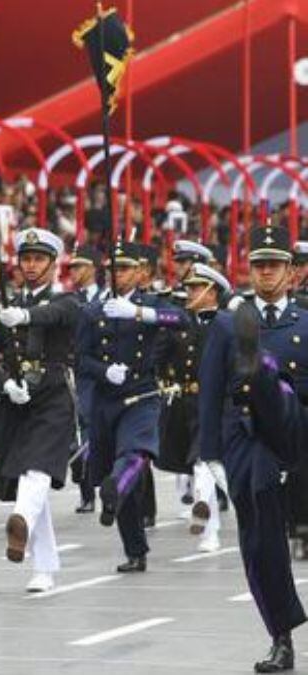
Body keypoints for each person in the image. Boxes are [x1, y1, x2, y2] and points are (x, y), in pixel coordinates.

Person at [200, 226, 308, 672]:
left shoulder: (304, 320)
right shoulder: (230, 322)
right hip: (249, 435)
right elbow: (209, 391)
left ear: (291, 272)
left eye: (275, 265)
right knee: (260, 539)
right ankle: (280, 637)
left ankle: (265, 373)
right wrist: (209, 455)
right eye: (259, 264)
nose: (267, 272)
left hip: (299, 426)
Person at [77, 241, 188, 574]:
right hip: (106, 401)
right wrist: (103, 371)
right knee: (117, 472)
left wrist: (139, 314)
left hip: (141, 395)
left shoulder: (151, 303)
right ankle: (135, 549)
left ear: (139, 272)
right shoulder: (92, 311)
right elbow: (80, 359)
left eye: (124, 269)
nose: (118, 275)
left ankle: (115, 489)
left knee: (134, 454)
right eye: (113, 269)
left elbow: (180, 319)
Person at [0, 229, 81, 592]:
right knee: (31, 480)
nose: (31, 266)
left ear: (53, 263)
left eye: (39, 259)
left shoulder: (66, 301)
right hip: (18, 402)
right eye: (26, 258)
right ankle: (44, 567)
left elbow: (55, 314)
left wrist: (24, 318)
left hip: (54, 397)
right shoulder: (6, 306)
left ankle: (20, 519)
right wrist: (4, 384)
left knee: (38, 469)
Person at [156, 262, 229, 553]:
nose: (190, 292)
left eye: (197, 288)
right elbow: (158, 356)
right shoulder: (179, 321)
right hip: (184, 403)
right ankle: (209, 524)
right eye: (189, 287)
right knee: (203, 464)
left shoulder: (225, 324)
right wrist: (162, 380)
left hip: (216, 403)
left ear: (212, 293)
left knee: (203, 461)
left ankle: (205, 514)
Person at [66, 245, 103, 514]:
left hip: (106, 371)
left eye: (79, 266)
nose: (74, 272)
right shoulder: (69, 299)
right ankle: (86, 492)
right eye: (72, 267)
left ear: (92, 268)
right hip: (79, 372)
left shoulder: (107, 296)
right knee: (80, 430)